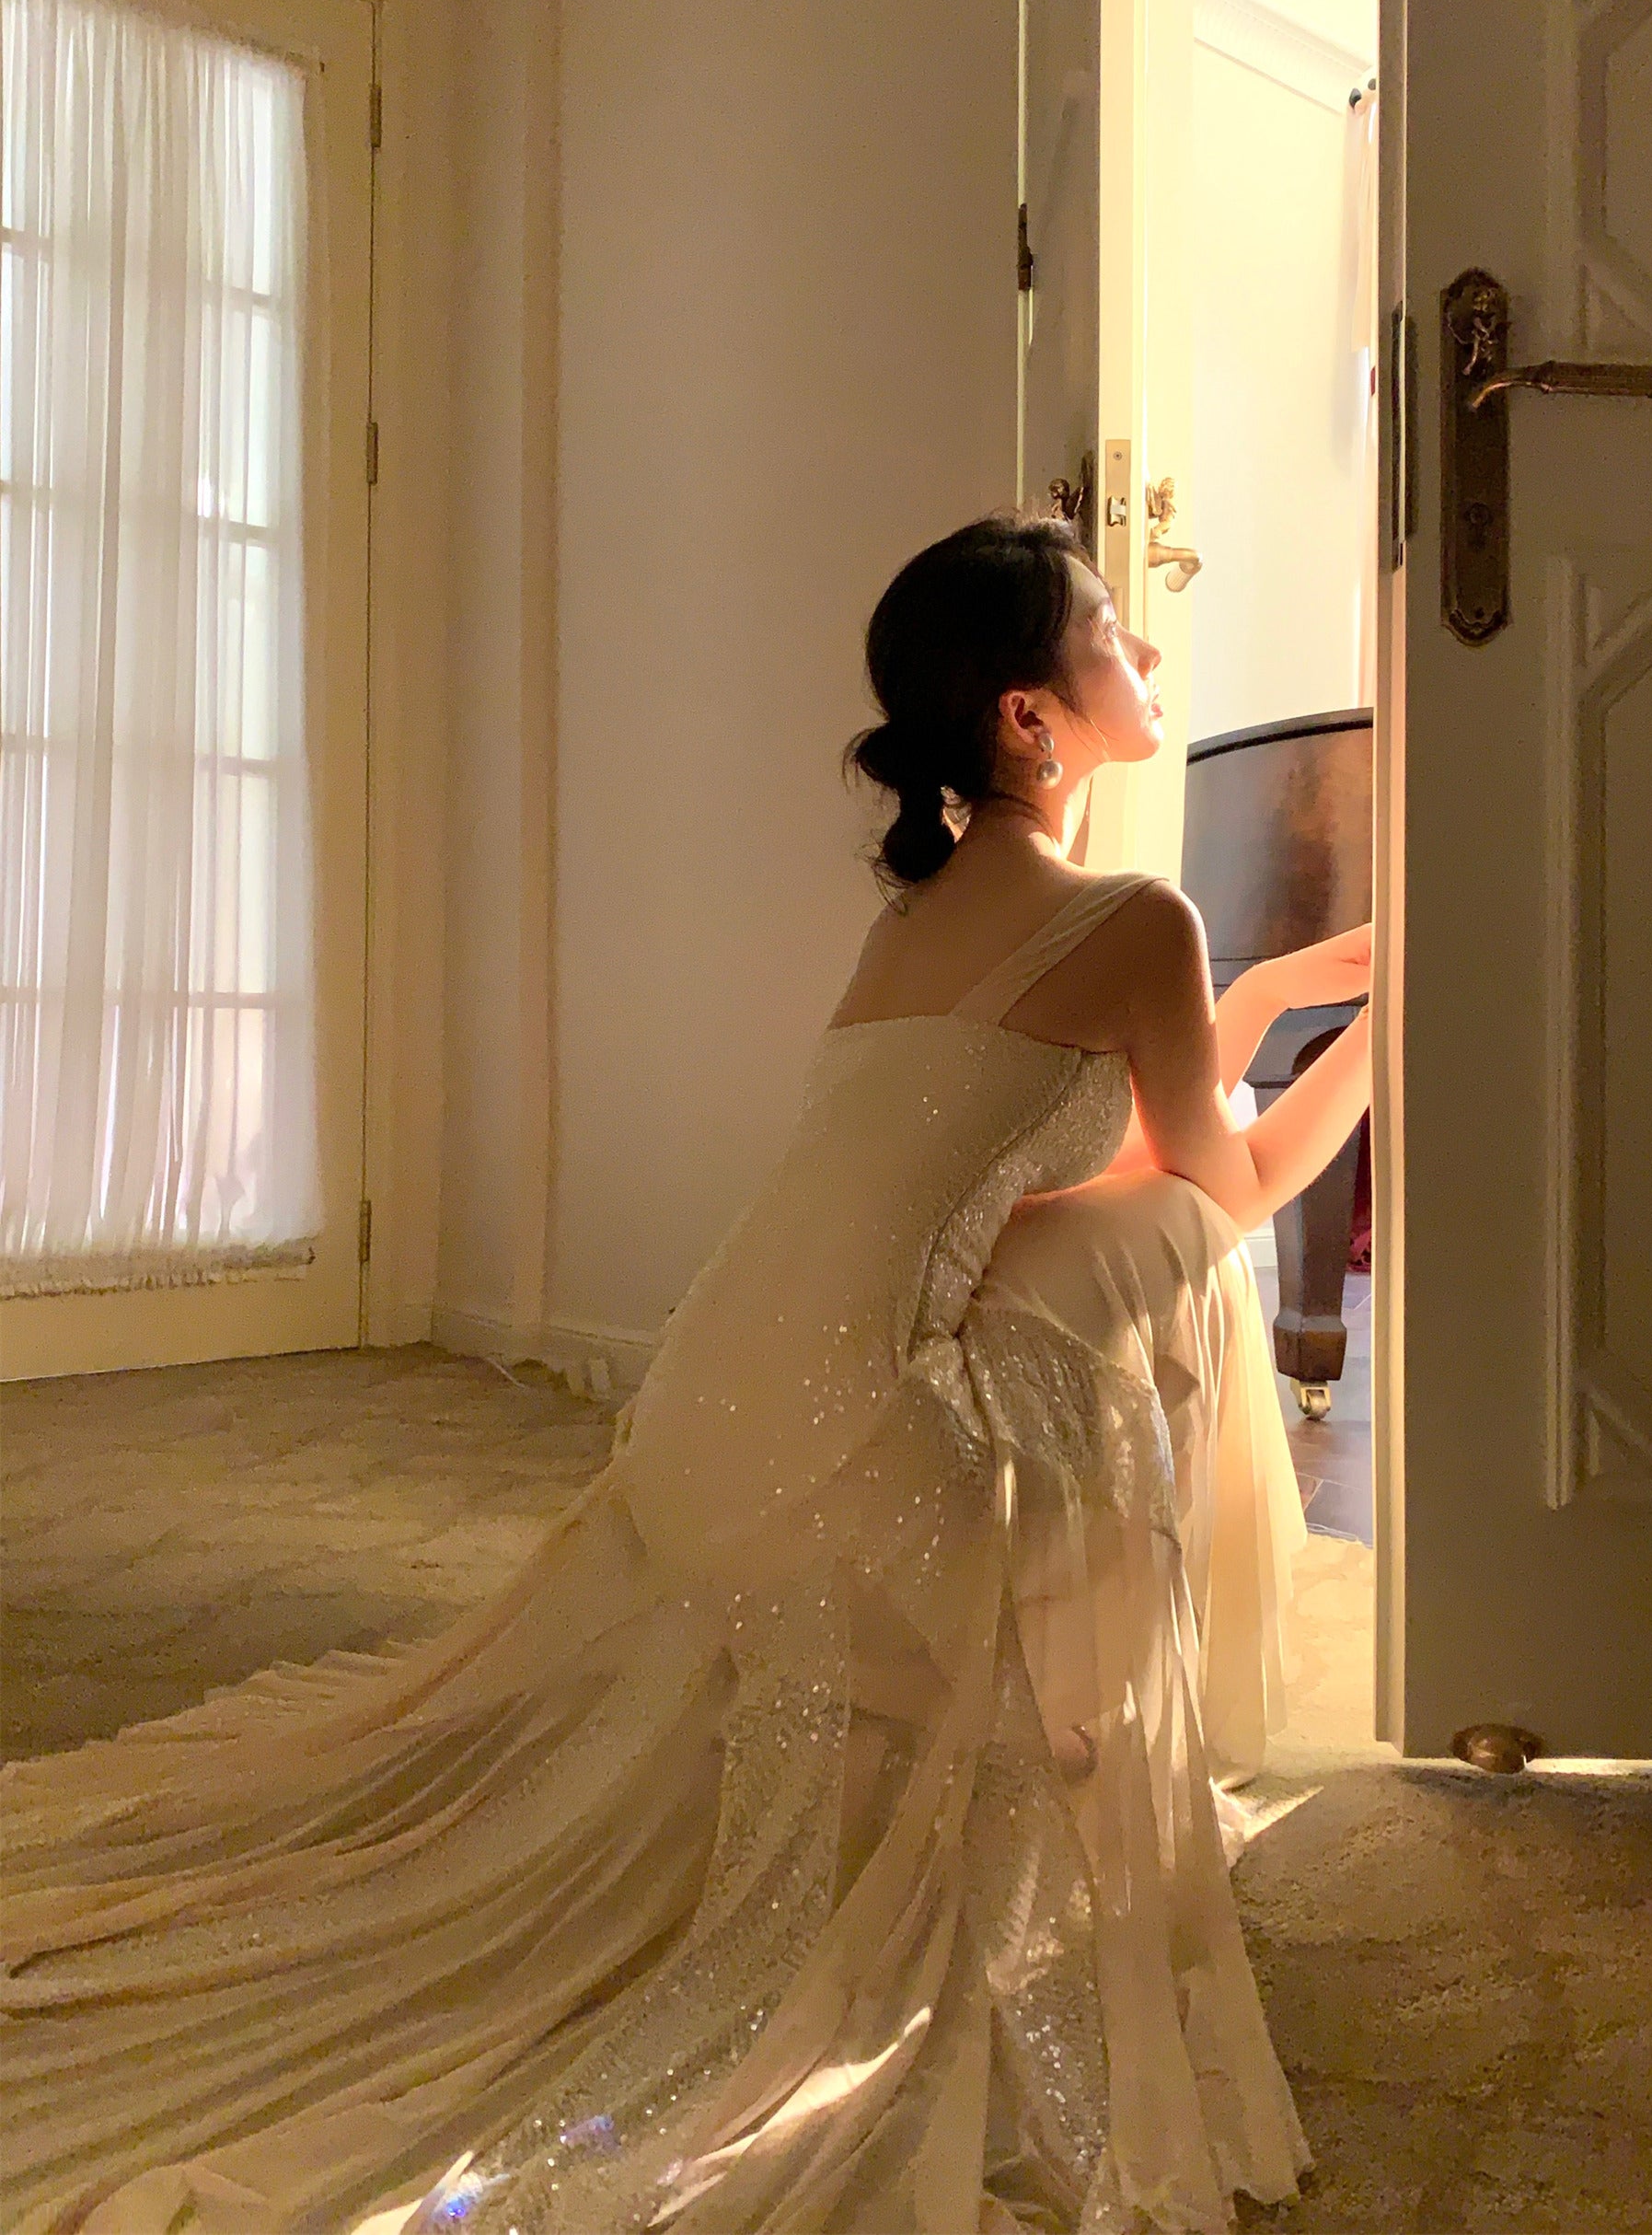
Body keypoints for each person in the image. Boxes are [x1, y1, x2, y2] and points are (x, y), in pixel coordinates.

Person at [2, 515, 1369, 2235]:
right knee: (1175, 1235)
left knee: (1111, 1223)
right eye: (1115, 628)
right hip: (870, 1447)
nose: (1151, 653)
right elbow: (1221, 1188)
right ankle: (1126, 1630)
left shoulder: (922, 919)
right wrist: (1386, 1034)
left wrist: (1283, 986)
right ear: (1029, 714)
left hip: (713, 1416)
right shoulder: (1135, 918)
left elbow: (1076, 1152)